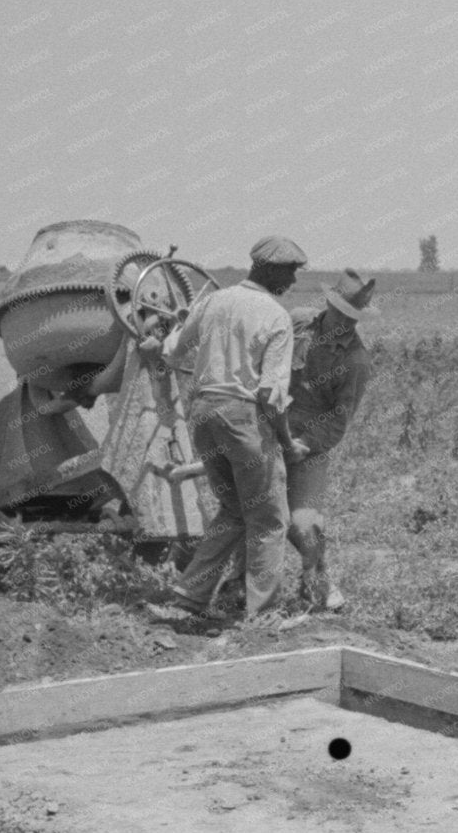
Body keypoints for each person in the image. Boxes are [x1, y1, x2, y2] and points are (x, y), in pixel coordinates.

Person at [143, 236, 307, 621]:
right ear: (267, 269)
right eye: (290, 272)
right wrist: (286, 442)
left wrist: (159, 336)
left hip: (202, 414)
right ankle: (264, 615)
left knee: (234, 509)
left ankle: (189, 597)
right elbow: (271, 393)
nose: (293, 281)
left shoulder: (213, 301)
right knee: (268, 518)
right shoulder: (275, 316)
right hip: (242, 417)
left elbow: (173, 350)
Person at [283, 269, 377, 611]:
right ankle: (239, 590)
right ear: (328, 303)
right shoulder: (297, 324)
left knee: (302, 525)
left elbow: (339, 422)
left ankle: (319, 584)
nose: (347, 323)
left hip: (310, 446)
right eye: (342, 313)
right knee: (250, 514)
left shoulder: (355, 361)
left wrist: (303, 445)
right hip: (271, 429)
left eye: (354, 318)